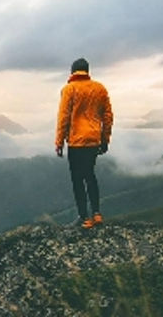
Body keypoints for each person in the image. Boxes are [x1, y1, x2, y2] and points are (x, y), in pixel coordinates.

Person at [55, 58, 113, 229]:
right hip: (93, 140)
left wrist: (59, 142)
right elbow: (108, 116)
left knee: (77, 179)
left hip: (76, 142)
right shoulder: (100, 88)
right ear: (87, 71)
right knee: (90, 175)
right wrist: (105, 139)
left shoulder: (69, 89)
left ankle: (84, 217)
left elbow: (64, 117)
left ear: (73, 72)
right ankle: (97, 214)